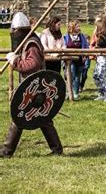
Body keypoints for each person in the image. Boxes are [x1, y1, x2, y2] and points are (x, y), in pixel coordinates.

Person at [2, 12, 63, 158]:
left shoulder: (31, 43)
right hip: (32, 87)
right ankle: (57, 149)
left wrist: (15, 61)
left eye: (15, 31)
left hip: (36, 87)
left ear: (20, 31)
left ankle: (6, 151)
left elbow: (32, 65)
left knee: (21, 116)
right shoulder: (27, 42)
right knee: (42, 119)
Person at [63, 20, 89, 100]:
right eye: (77, 26)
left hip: (80, 59)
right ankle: (69, 92)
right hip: (70, 60)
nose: (79, 28)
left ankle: (76, 93)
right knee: (71, 75)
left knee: (78, 76)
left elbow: (85, 46)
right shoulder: (66, 36)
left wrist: (85, 55)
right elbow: (64, 46)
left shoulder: (81, 36)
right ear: (73, 27)